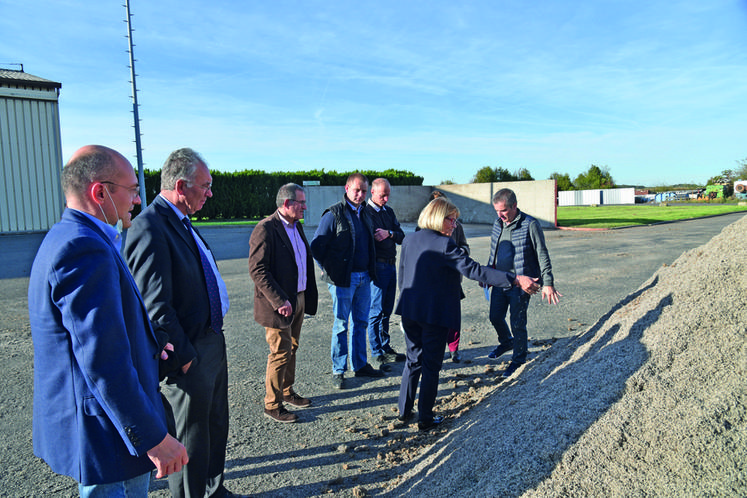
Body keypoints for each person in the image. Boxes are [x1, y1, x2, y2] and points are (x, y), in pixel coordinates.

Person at [28, 145, 188, 497]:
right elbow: (102, 360)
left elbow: (93, 334)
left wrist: (150, 345)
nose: (137, 199)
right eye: (132, 189)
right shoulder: (84, 248)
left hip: (107, 426)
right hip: (106, 433)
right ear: (100, 192)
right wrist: (154, 438)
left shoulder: (70, 237)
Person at [124, 148, 245, 498]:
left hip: (210, 342)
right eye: (205, 186)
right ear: (181, 185)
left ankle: (211, 487)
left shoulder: (181, 221)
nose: (210, 193)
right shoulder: (150, 227)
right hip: (189, 352)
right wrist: (185, 357)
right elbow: (154, 305)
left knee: (214, 425)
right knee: (190, 435)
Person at [395, 197, 539, 430]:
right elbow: (474, 271)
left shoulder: (410, 240)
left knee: (413, 361)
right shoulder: (445, 244)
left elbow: (402, 277)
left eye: (456, 220)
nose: (454, 225)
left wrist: (405, 304)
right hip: (435, 314)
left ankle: (404, 411)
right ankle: (425, 418)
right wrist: (514, 279)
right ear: (437, 218)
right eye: (451, 220)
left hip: (410, 311)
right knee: (431, 365)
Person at [248, 183, 319, 424]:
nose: (305, 207)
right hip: (278, 304)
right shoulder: (265, 229)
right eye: (301, 202)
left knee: (293, 347)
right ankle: (272, 404)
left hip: (298, 297)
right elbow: (257, 270)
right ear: (286, 204)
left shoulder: (295, 226)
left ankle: (287, 392)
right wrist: (279, 300)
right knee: (280, 352)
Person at [310, 172, 385, 390]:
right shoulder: (333, 214)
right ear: (347, 188)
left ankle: (360, 364)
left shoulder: (366, 214)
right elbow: (316, 247)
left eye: (363, 190)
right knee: (342, 324)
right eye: (356, 190)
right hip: (343, 280)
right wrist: (327, 270)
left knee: (361, 322)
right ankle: (339, 369)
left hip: (364, 278)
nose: (360, 194)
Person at [486, 188, 562, 379]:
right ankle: (506, 341)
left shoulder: (530, 224)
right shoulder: (497, 224)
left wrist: (548, 282)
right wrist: (487, 274)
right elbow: (493, 252)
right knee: (495, 317)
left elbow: (542, 253)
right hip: (500, 281)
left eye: (503, 210)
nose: (500, 215)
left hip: (522, 284)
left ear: (514, 206)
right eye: (496, 211)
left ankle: (518, 360)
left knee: (518, 323)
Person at [365, 178, 406, 368]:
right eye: (382, 195)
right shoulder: (366, 213)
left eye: (388, 194)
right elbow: (374, 237)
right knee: (376, 310)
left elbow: (401, 236)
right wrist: (391, 234)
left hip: (391, 265)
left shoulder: (388, 211)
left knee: (387, 309)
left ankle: (385, 346)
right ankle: (376, 352)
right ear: (372, 192)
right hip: (378, 266)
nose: (386, 198)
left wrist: (389, 233)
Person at [427, 190, 470, 362]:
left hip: (452, 280)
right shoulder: (423, 228)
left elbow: (465, 246)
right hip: (431, 283)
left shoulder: (456, 226)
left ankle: (453, 349)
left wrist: (459, 252)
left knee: (452, 316)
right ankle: (433, 350)